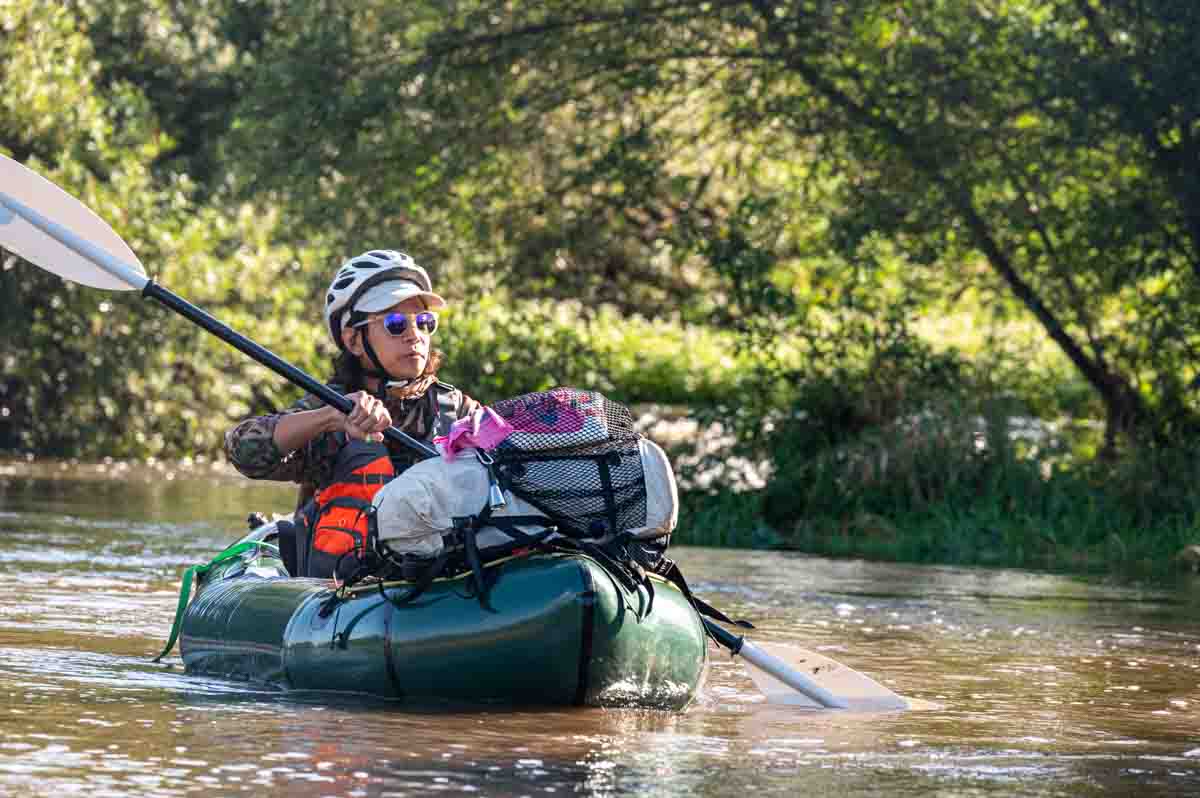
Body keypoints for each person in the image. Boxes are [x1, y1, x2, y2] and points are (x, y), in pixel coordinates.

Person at [224, 249, 479, 577]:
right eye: (395, 323)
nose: (415, 335)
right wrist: (330, 418)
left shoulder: (455, 408)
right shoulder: (329, 407)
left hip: (440, 576)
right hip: (347, 585)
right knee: (363, 452)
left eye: (425, 322)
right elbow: (241, 450)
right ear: (354, 340)